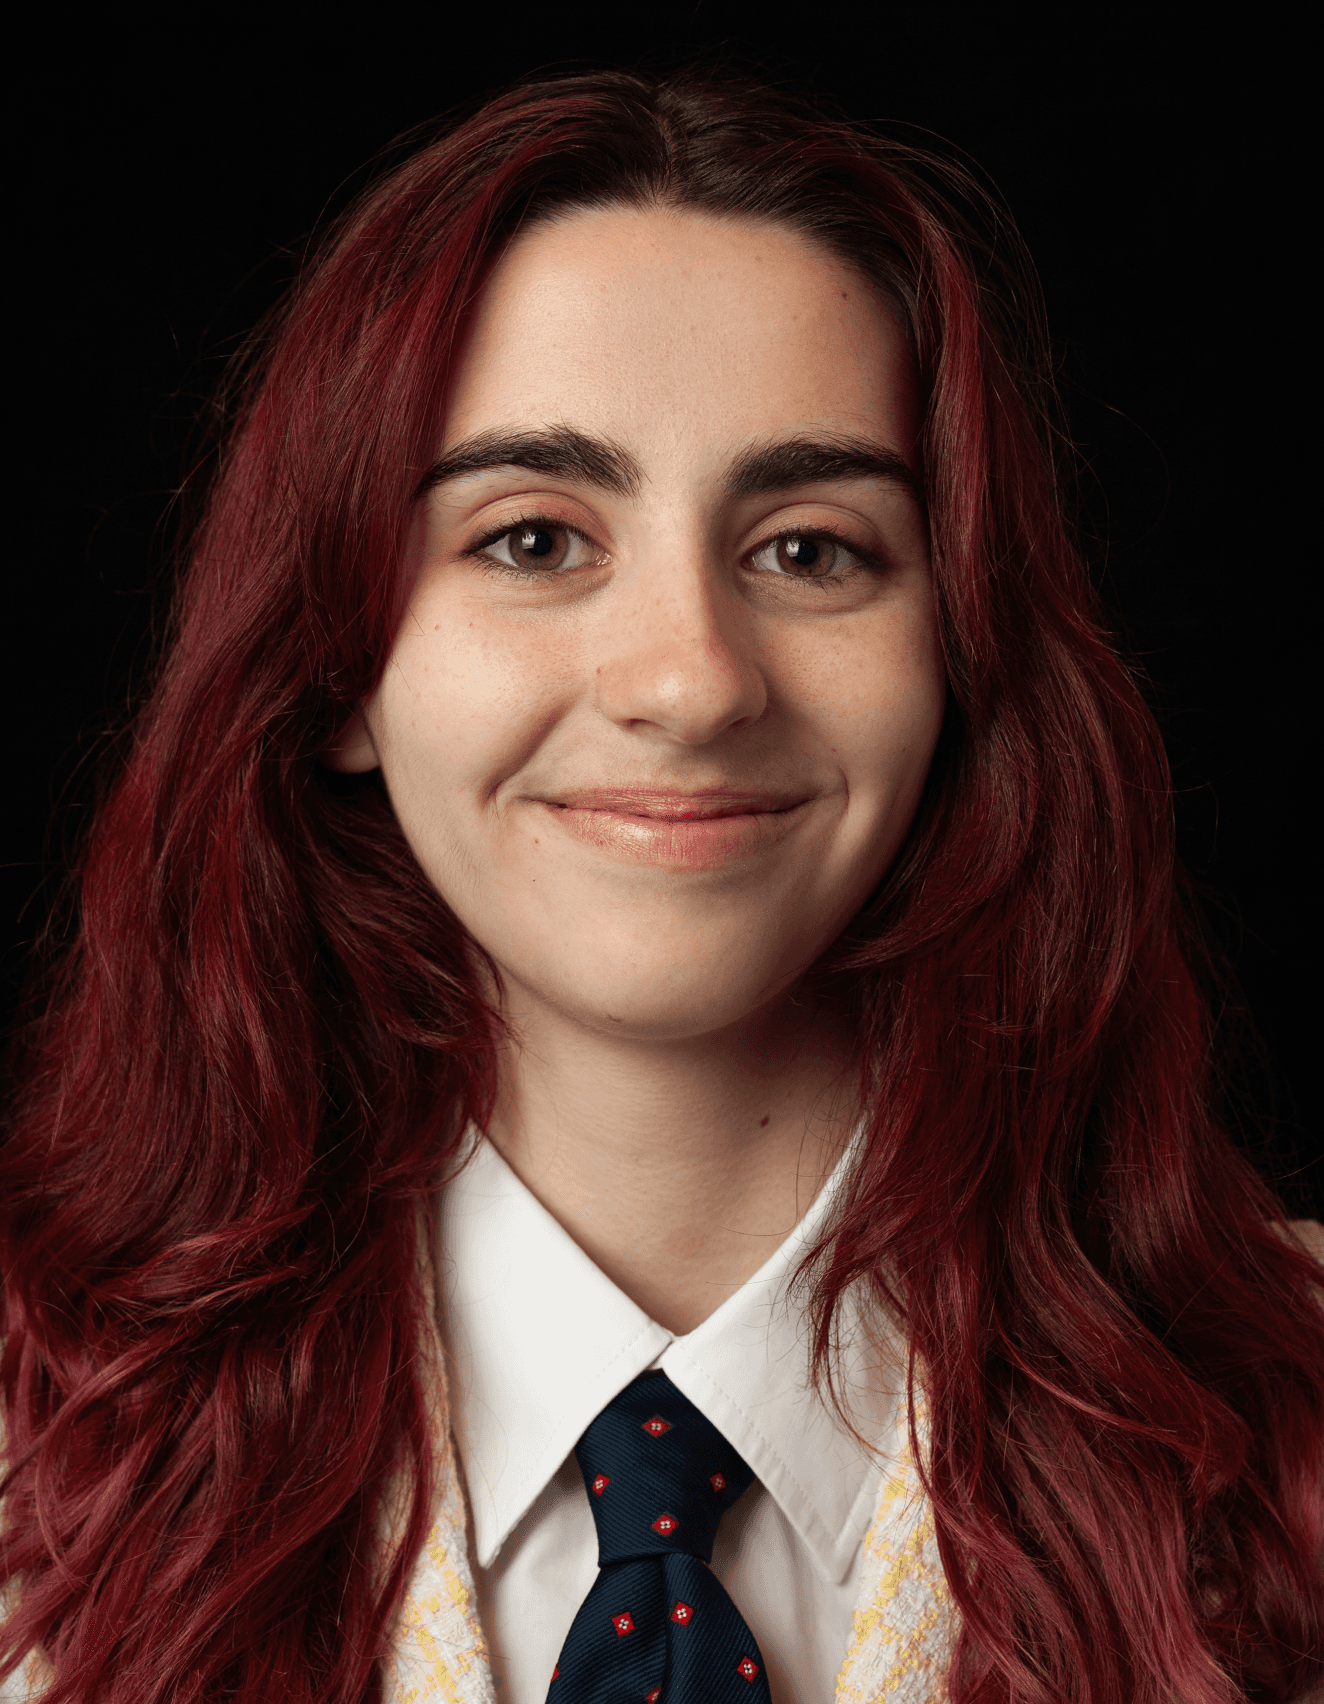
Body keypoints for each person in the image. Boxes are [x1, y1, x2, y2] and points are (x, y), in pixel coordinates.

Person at [2, 68, 1321, 1704]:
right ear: (335, 664)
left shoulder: (1297, 1423)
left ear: (963, 658)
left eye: (811, 550)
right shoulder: (30, 1464)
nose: (691, 683)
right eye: (535, 540)